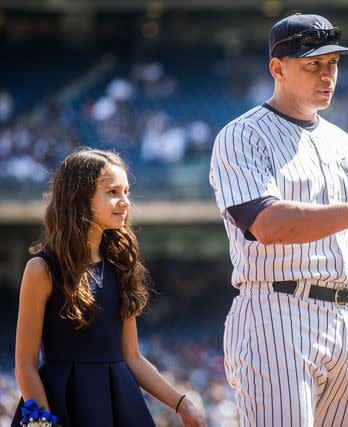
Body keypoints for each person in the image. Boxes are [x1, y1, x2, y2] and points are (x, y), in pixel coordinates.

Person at [209, 12, 348, 427]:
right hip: (275, 313)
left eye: (332, 63)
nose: (326, 74)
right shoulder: (242, 135)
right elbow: (269, 224)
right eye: (312, 64)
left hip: (346, 322)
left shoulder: (347, 146)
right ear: (277, 69)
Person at [12, 148, 206, 427]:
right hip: (62, 404)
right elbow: (25, 366)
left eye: (126, 191)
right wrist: (42, 423)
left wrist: (181, 402)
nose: (125, 201)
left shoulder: (120, 265)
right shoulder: (41, 269)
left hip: (119, 403)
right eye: (113, 192)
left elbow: (133, 357)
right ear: (79, 197)